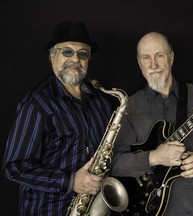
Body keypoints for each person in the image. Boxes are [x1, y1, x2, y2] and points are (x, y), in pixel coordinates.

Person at [110, 32, 193, 216]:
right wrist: (154, 157)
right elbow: (114, 163)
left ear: (171, 57)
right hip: (142, 209)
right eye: (146, 57)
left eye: (159, 55)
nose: (153, 65)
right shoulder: (129, 107)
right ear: (139, 63)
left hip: (189, 210)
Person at [2, 21, 113, 215]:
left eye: (82, 53)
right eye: (67, 52)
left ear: (89, 59)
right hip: (48, 210)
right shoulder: (37, 103)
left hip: (90, 207)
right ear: (52, 56)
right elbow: (14, 167)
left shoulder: (101, 102)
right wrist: (71, 181)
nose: (75, 59)